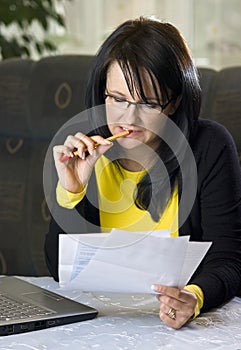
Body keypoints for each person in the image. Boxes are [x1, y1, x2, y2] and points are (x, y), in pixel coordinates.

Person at [44, 16, 241, 329]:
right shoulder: (86, 148)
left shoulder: (209, 147)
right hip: (104, 323)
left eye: (148, 103)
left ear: (175, 102)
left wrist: (193, 296)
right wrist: (72, 190)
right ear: (102, 93)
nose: (128, 118)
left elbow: (230, 259)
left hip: (178, 328)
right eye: (118, 99)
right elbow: (61, 270)